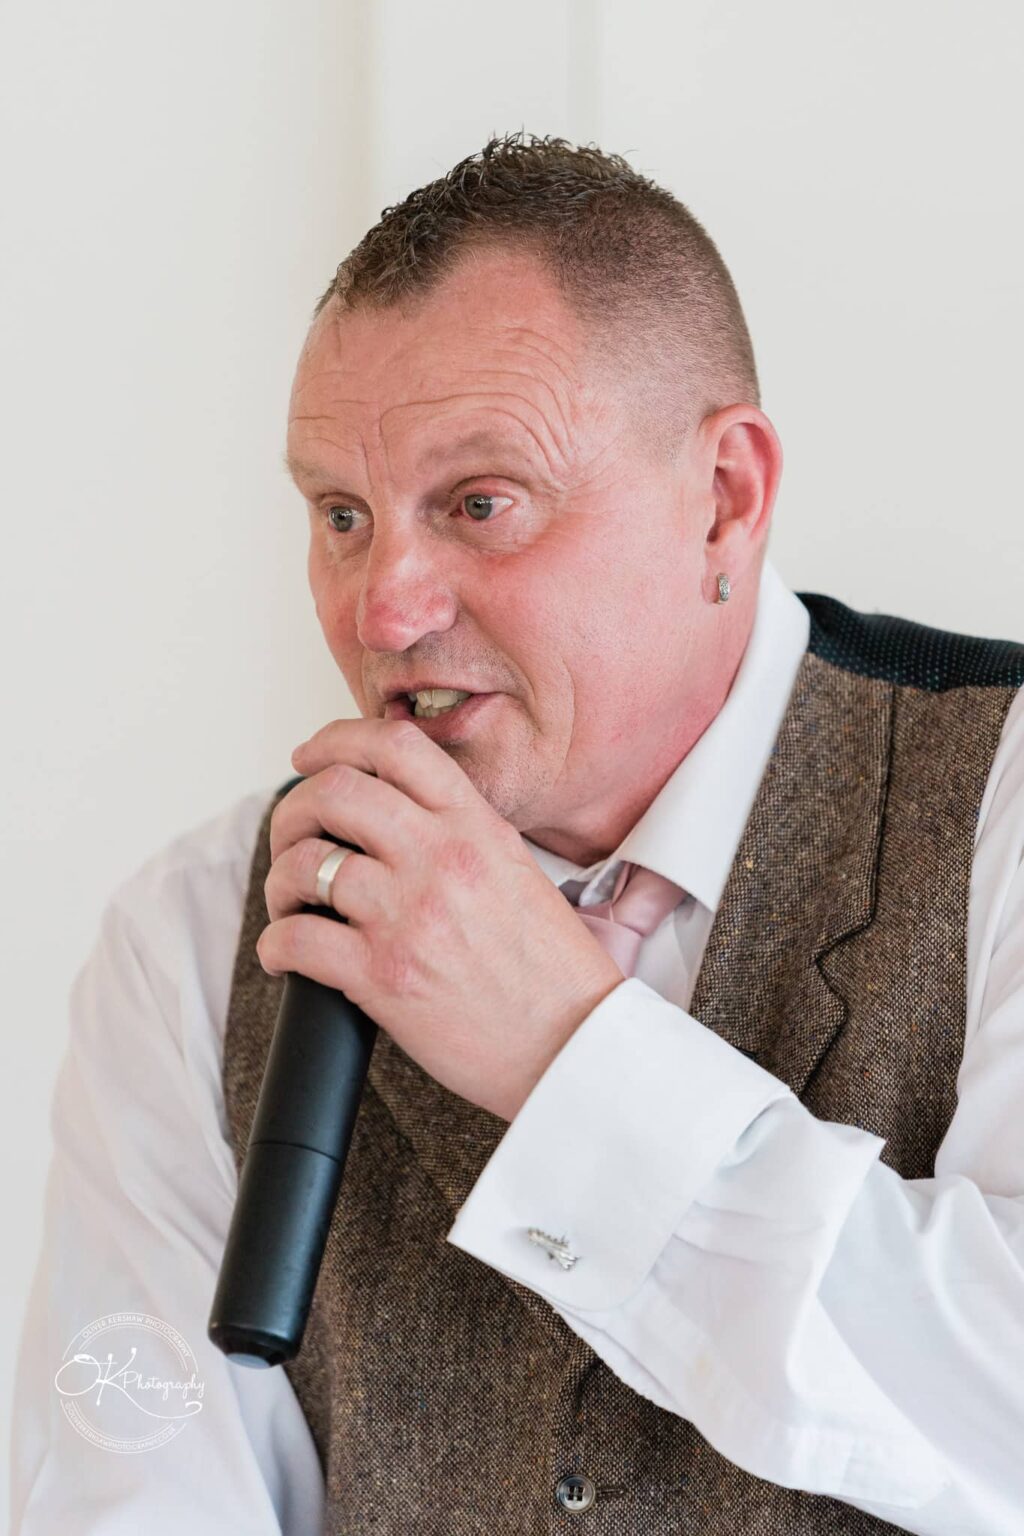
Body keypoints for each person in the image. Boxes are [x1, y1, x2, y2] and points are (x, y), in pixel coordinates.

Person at [10, 131, 1024, 1535]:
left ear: (726, 497)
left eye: (479, 505)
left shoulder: (1006, 798)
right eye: (344, 515)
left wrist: (570, 1057)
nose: (383, 611)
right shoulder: (191, 940)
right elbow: (129, 1483)